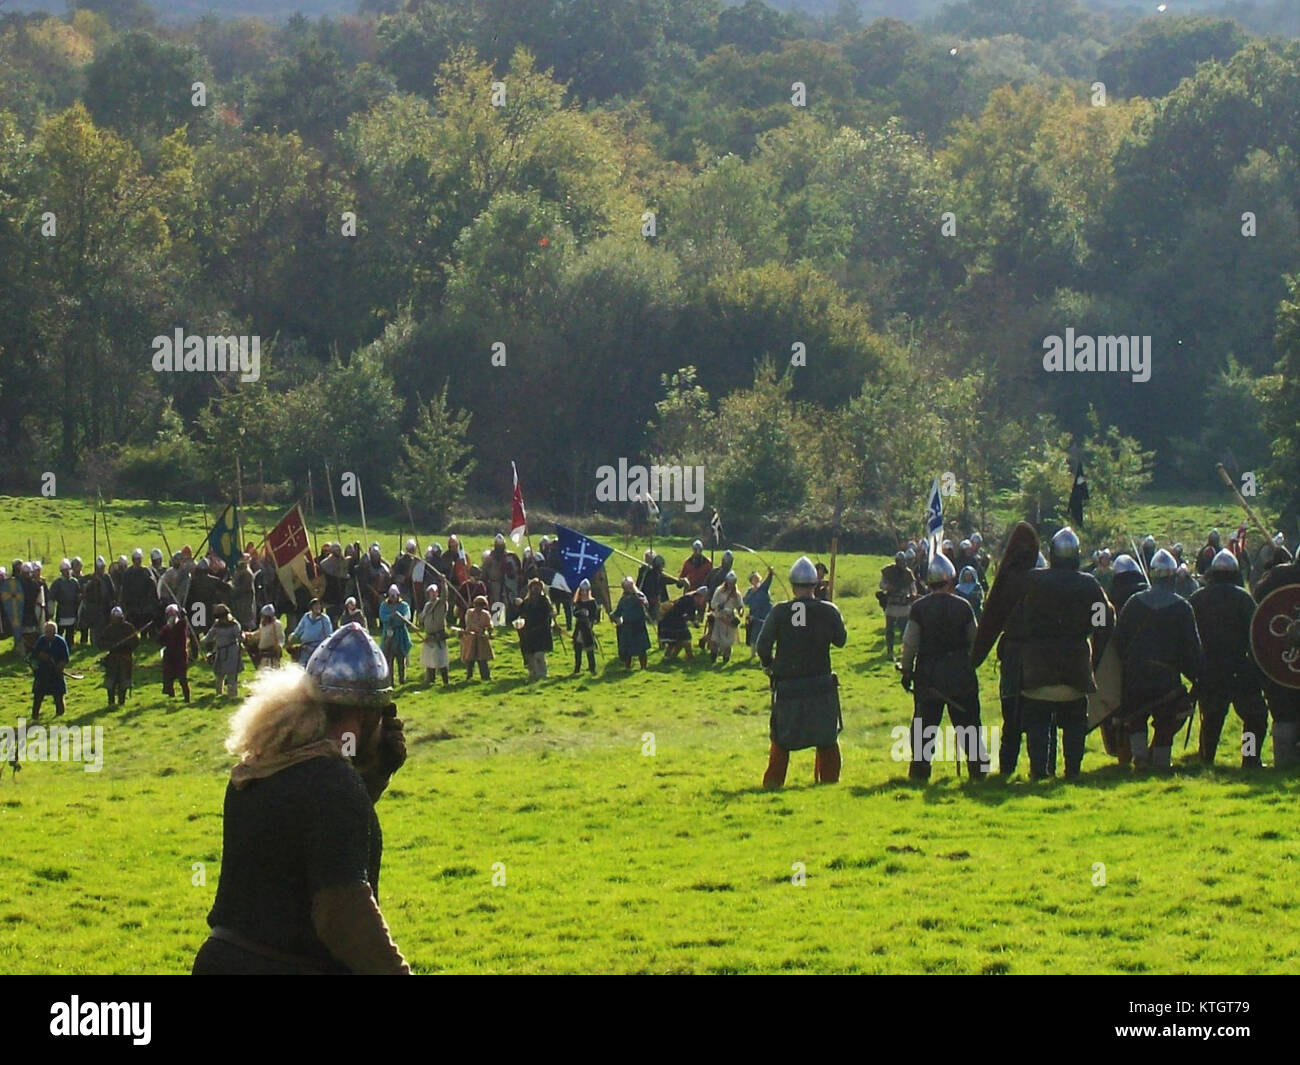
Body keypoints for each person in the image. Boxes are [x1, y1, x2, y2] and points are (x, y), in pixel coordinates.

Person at [191, 623, 410, 974]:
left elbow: (308, 836)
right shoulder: (333, 785)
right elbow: (342, 914)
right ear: (366, 716)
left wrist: (371, 776)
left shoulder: (262, 770)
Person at [1015, 527, 1112, 781]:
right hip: (1074, 663)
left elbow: (1015, 619)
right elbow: (1102, 622)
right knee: (1073, 725)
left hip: (1038, 663)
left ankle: (1039, 772)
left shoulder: (1031, 581)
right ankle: (1072, 772)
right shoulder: (1089, 585)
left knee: (1038, 723)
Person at [756, 556, 847, 787]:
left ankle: (774, 784)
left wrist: (769, 666)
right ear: (815, 585)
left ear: (793, 585)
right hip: (821, 685)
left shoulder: (780, 612)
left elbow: (763, 646)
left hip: (789, 685)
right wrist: (831, 612)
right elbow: (841, 640)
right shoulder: (828, 610)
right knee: (826, 739)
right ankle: (829, 783)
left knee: (781, 740)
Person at [1114, 549, 1203, 771]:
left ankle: (1140, 758)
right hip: (1166, 678)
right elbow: (1192, 648)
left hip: (1135, 676)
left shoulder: (1134, 603)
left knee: (1137, 718)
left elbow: (1118, 642)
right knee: (1166, 720)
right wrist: (1197, 676)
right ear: (1173, 577)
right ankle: (1161, 762)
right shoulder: (1182, 606)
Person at [899, 554, 987, 781]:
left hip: (929, 675)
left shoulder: (919, 607)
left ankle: (920, 772)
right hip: (960, 674)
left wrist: (907, 670)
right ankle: (978, 771)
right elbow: (974, 641)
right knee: (969, 725)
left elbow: (910, 644)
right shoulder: (963, 606)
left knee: (924, 727)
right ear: (950, 580)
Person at [972, 522, 1042, 777]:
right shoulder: (1042, 580)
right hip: (1037, 654)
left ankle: (1008, 769)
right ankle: (1040, 770)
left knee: (1013, 717)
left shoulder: (1007, 580)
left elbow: (992, 619)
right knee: (1038, 716)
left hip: (1015, 653)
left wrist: (974, 658)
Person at [1189, 549, 1267, 767]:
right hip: (1240, 668)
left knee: (1211, 717)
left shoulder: (1197, 599)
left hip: (1209, 669)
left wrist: (1195, 670)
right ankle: (1249, 758)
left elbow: (1188, 639)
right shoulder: (1243, 599)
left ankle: (1207, 758)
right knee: (1254, 718)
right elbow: (1256, 637)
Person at [1251, 545, 1300, 768]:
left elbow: (1256, 600)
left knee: (1260, 717)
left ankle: (1249, 760)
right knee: (1254, 718)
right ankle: (1248, 757)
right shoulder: (1278, 576)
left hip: (1274, 664)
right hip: (1278, 659)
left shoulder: (1276, 577)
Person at [878, 552, 917, 660]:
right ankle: (890, 651)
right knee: (890, 631)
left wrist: (912, 594)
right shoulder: (888, 571)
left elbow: (912, 587)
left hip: (904, 605)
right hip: (891, 605)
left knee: (904, 631)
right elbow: (881, 585)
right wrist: (888, 587)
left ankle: (904, 652)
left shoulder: (907, 573)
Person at [516, 578, 556, 681]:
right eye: (534, 587)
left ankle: (542, 673)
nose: (536, 589)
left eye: (538, 587)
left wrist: (551, 618)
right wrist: (518, 606)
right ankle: (533, 673)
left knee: (539, 654)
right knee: (530, 654)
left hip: (542, 630)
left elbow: (549, 613)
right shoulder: (527, 602)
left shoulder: (544, 600)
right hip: (529, 632)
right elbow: (521, 614)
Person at [99, 606, 139, 708]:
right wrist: (112, 644)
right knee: (111, 682)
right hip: (112, 659)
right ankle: (111, 702)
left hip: (125, 659)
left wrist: (126, 645)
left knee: (124, 681)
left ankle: (121, 702)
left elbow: (136, 641)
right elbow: (101, 643)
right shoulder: (109, 629)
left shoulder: (128, 628)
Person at [204, 603, 245, 700]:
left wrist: (242, 637)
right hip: (220, 651)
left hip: (232, 652)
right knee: (219, 674)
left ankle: (232, 695)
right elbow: (209, 637)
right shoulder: (216, 626)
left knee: (231, 674)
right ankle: (219, 693)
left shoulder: (234, 625)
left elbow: (239, 636)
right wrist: (202, 641)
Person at [30, 620, 70, 720]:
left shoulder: (60, 642)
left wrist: (60, 665)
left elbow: (65, 657)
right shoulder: (41, 640)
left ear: (54, 632)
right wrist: (41, 656)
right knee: (38, 695)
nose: (48, 634)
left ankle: (60, 713)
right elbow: (34, 654)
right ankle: (35, 715)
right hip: (43, 672)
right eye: (46, 631)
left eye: (50, 631)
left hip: (55, 672)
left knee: (58, 694)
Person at [610, 576, 651, 670]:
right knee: (627, 649)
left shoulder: (639, 595)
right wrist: (612, 615)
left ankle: (643, 667)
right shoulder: (623, 599)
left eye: (629, 587)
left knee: (641, 648)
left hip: (639, 625)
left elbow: (646, 604)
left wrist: (643, 601)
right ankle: (627, 667)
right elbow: (618, 612)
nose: (627, 589)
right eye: (625, 587)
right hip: (627, 626)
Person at [658, 587, 709, 661]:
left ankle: (671, 657)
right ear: (699, 596)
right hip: (672, 621)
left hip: (677, 621)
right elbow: (690, 615)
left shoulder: (691, 599)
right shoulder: (689, 600)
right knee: (686, 639)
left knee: (679, 641)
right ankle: (689, 657)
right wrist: (695, 622)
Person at [378, 585, 412, 686]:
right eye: (391, 595)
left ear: (398, 595)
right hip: (388, 635)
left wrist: (401, 617)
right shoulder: (384, 605)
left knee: (401, 659)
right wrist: (391, 616)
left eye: (394, 595)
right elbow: (383, 617)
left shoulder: (404, 605)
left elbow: (407, 617)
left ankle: (402, 679)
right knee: (389, 659)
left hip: (400, 634)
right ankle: (390, 681)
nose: (393, 597)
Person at [418, 584, 450, 686]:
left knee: (441, 659)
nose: (432, 594)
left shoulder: (441, 603)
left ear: (437, 592)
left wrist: (443, 582)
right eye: (430, 592)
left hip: (438, 635)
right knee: (429, 659)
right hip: (429, 635)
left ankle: (445, 681)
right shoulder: (427, 605)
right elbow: (422, 618)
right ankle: (430, 680)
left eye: (434, 592)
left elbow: (445, 596)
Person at [708, 571, 743, 664]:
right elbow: (713, 604)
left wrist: (740, 612)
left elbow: (740, 606)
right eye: (729, 582)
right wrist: (719, 606)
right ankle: (713, 659)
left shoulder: (737, 594)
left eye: (733, 583)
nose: (731, 585)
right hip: (719, 617)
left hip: (729, 619)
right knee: (715, 640)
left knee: (728, 643)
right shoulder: (719, 591)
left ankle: (725, 660)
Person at [79, 556, 115, 647]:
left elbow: (112, 590)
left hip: (106, 605)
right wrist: (92, 583)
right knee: (95, 626)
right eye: (100, 568)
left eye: (103, 568)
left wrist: (112, 601)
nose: (102, 570)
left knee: (106, 624)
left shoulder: (107, 577)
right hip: (95, 607)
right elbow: (86, 592)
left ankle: (104, 641)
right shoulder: (91, 578)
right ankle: (94, 642)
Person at [121, 548, 159, 631]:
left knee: (146, 620)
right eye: (137, 559)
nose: (138, 561)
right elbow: (125, 589)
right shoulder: (128, 573)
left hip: (145, 603)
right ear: (133, 560)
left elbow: (153, 586)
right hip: (132, 603)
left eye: (140, 559)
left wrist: (149, 599)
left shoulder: (146, 571)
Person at [290, 599, 334, 665]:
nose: (317, 607)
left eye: (319, 606)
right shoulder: (306, 616)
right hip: (305, 646)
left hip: (318, 648)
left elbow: (329, 634)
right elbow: (300, 628)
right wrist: (294, 635)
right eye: (315, 606)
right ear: (311, 607)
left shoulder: (325, 619)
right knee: (301, 665)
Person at [569, 579, 600, 675]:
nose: (584, 592)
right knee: (577, 649)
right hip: (579, 627)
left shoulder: (592, 602)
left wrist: (589, 620)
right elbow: (574, 613)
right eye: (582, 590)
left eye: (586, 590)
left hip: (587, 627)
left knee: (589, 649)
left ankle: (592, 668)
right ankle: (577, 669)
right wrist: (580, 613)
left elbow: (594, 615)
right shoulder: (578, 601)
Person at [460, 595, 494, 681]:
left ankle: (485, 676)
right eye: (478, 605)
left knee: (482, 658)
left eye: (481, 605)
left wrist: (490, 632)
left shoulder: (486, 614)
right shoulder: (469, 612)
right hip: (470, 638)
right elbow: (469, 623)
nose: (479, 607)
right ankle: (469, 675)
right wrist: (477, 630)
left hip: (481, 639)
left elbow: (489, 625)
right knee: (470, 658)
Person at [48, 560, 80, 647]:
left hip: (72, 611)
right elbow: (51, 598)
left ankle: (69, 648)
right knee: (59, 633)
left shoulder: (74, 582)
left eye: (68, 569)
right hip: (62, 611)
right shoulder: (57, 583)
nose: (67, 572)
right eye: (65, 570)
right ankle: (57, 648)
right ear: (61, 571)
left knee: (70, 634)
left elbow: (78, 596)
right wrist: (51, 612)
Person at [744, 568, 774, 653]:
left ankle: (765, 653)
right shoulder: (750, 591)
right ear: (751, 581)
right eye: (754, 579)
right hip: (755, 615)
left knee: (766, 634)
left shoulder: (764, 588)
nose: (756, 580)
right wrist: (752, 592)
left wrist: (770, 573)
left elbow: (768, 580)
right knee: (754, 635)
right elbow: (745, 601)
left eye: (757, 578)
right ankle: (753, 654)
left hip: (765, 614)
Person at [254, 604, 286, 670]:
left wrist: (279, 646)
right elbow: (260, 633)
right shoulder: (263, 624)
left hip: (272, 655)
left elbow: (281, 637)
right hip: (263, 654)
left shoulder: (276, 624)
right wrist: (250, 635)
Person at [231, 555, 257, 630]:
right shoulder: (238, 571)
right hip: (238, 602)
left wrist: (232, 590)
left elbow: (244, 588)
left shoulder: (246, 573)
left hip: (245, 602)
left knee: (247, 622)